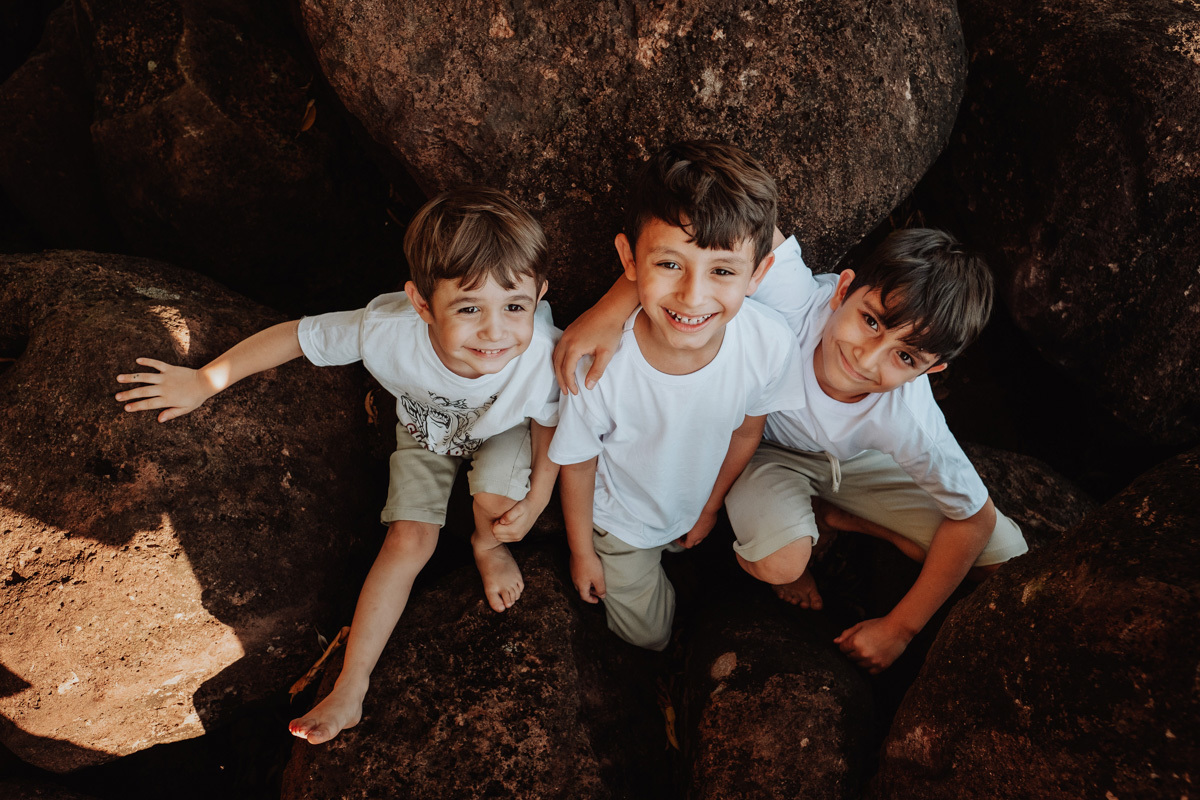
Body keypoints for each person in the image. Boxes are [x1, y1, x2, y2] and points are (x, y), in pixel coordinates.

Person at [115, 187, 562, 743]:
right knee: (408, 540)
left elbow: (551, 420)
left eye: (515, 306)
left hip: (504, 427)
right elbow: (296, 337)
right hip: (424, 428)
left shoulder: (542, 354)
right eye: (469, 308)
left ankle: (485, 548)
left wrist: (540, 497)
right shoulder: (387, 329)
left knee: (498, 508)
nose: (495, 331)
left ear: (539, 295)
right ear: (422, 304)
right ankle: (352, 684)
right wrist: (205, 381)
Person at [555, 225, 1027, 673]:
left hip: (856, 463)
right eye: (870, 321)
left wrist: (900, 628)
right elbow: (720, 210)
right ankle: (818, 524)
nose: (867, 358)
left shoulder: (910, 420)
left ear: (932, 370)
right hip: (762, 451)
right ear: (843, 289)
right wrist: (610, 307)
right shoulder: (795, 298)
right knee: (781, 563)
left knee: (1007, 561)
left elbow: (975, 518)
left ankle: (838, 517)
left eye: (905, 357)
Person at [548, 141, 805, 651]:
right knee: (649, 638)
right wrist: (582, 552)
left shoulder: (769, 344)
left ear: (758, 274)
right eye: (670, 264)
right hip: (621, 524)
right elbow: (577, 462)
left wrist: (710, 508)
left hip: (692, 507)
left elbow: (747, 431)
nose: (693, 296)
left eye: (723, 271)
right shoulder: (599, 366)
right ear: (629, 258)